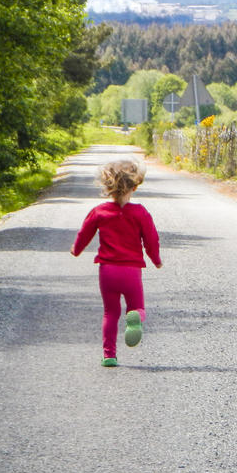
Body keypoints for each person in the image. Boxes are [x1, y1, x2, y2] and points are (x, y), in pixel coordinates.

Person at [72, 157, 162, 367]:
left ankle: (109, 355)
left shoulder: (100, 211)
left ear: (108, 185)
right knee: (137, 307)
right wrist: (156, 260)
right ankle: (136, 317)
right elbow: (151, 239)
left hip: (108, 271)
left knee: (110, 313)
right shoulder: (140, 213)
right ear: (135, 186)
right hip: (131, 271)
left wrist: (76, 250)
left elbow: (84, 233)